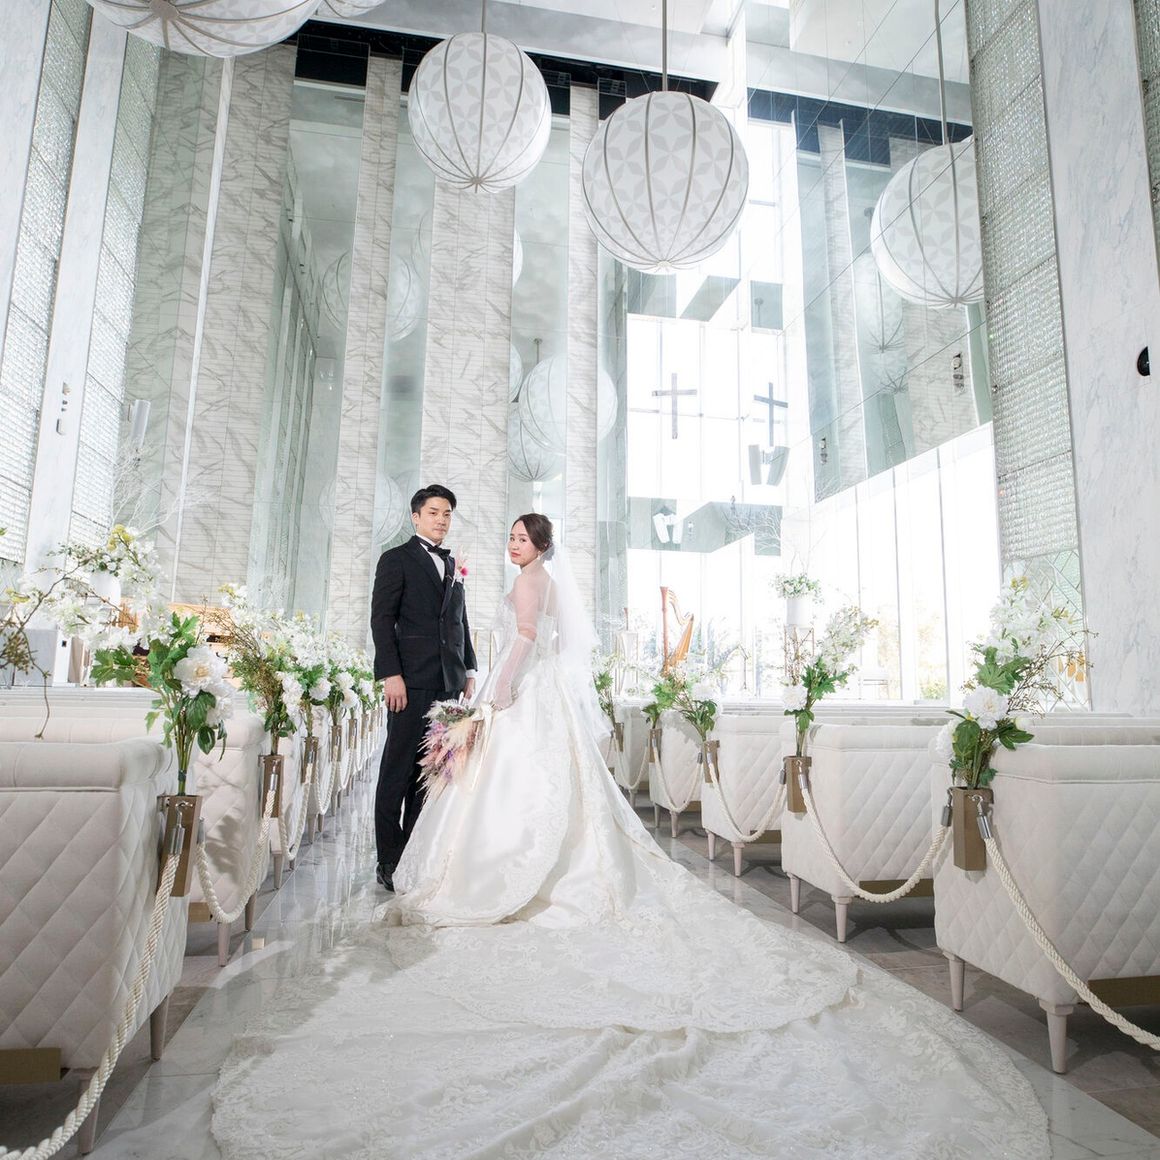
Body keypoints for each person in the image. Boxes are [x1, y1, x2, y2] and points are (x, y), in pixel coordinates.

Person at [213, 515, 1050, 1159]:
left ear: (540, 546)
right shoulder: (526, 578)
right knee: (546, 793)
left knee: (529, 795)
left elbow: (525, 644)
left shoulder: (532, 585)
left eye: (520, 537)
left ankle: (518, 874)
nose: (510, 544)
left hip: (523, 696)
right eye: (509, 537)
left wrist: (492, 698)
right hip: (528, 694)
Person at [368, 484, 476, 892]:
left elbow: (459, 620)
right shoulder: (395, 559)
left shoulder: (452, 564)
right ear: (416, 517)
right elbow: (381, 619)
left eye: (447, 514)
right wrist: (390, 674)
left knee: (430, 773)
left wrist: (469, 667)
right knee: (396, 771)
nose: (441, 520)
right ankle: (388, 858)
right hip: (409, 682)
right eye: (433, 512)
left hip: (447, 682)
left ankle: (414, 854)